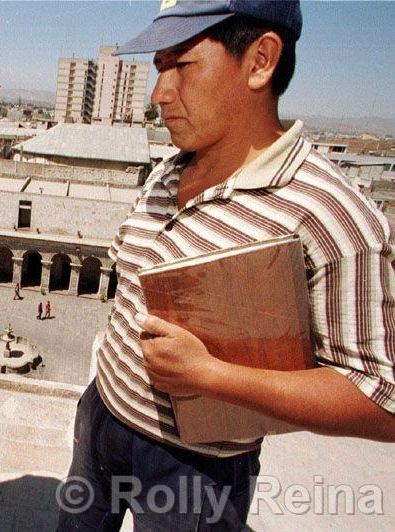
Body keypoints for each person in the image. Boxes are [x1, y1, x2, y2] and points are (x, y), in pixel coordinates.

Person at [58, 2, 395, 531]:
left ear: (261, 60)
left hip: (196, 467)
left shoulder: (331, 212)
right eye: (158, 67)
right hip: (103, 415)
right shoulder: (167, 171)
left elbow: (382, 400)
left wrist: (212, 377)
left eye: (182, 66)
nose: (159, 94)